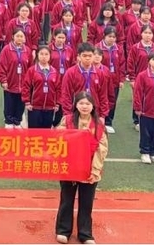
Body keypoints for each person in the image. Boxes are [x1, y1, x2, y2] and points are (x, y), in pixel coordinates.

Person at [54, 92, 108, 244]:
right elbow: (58, 137)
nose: (84, 106)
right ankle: (63, 230)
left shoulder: (98, 124)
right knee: (66, 199)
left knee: (86, 202)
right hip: (69, 168)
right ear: (76, 105)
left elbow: (102, 148)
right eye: (81, 103)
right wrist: (74, 135)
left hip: (89, 169)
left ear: (93, 106)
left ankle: (85, 234)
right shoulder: (67, 120)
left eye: (88, 104)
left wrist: (95, 170)